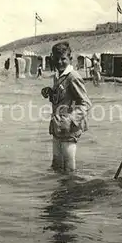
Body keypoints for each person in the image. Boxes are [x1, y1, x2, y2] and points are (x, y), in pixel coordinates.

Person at [41, 41, 92, 173]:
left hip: (69, 128)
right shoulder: (58, 75)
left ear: (70, 59)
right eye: (56, 59)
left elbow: (86, 103)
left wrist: (70, 119)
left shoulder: (73, 76)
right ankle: (60, 192)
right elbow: (62, 98)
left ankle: (71, 192)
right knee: (57, 165)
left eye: (63, 59)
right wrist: (50, 92)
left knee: (69, 168)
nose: (59, 62)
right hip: (58, 126)